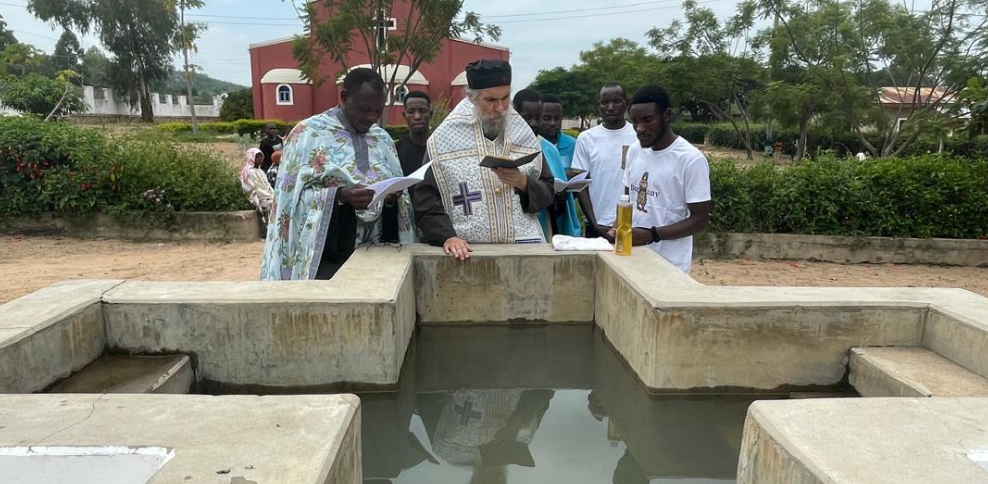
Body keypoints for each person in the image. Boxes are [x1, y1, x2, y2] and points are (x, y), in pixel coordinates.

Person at [260, 68, 415, 281]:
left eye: (377, 111)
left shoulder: (382, 139)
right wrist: (340, 196)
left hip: (375, 256)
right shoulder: (307, 134)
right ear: (344, 97)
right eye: (364, 109)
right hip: (326, 256)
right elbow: (289, 203)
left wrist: (389, 199)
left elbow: (399, 202)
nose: (371, 117)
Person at [412, 59, 556, 260]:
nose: (501, 108)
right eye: (491, 100)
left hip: (521, 250)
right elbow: (425, 199)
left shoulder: (523, 133)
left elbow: (548, 190)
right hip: (468, 252)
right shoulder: (443, 139)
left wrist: (523, 183)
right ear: (472, 97)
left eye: (506, 97)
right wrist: (447, 236)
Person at [605, 84, 710, 274]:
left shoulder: (690, 159)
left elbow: (700, 219)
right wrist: (616, 228)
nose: (639, 128)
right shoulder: (635, 151)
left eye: (647, 120)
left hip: (670, 267)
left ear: (666, 115)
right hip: (632, 258)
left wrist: (651, 235)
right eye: (635, 121)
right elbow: (627, 201)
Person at [570, 82, 639, 238]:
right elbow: (581, 184)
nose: (610, 107)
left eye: (616, 101)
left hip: (633, 224)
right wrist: (594, 224)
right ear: (598, 106)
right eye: (605, 102)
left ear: (626, 104)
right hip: (596, 224)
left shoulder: (638, 136)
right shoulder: (586, 138)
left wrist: (623, 220)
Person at [512, 88, 581, 238]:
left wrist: (559, 198)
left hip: (544, 223)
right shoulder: (503, 146)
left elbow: (561, 201)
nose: (534, 123)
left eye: (538, 118)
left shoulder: (549, 149)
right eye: (527, 118)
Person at [396, 90, 432, 176]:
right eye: (411, 112)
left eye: (422, 111)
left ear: (430, 114)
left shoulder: (441, 148)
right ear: (404, 115)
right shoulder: (396, 152)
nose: (417, 117)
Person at [539, 94, 577, 172]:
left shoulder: (573, 145)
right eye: (547, 118)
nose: (553, 123)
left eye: (557, 118)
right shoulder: (532, 145)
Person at [240, 148, 275, 217]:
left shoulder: (260, 171)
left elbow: (267, 186)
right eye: (257, 157)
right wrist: (271, 197)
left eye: (261, 156)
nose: (260, 158)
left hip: (268, 197)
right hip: (261, 200)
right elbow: (256, 190)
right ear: (251, 157)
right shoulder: (249, 172)